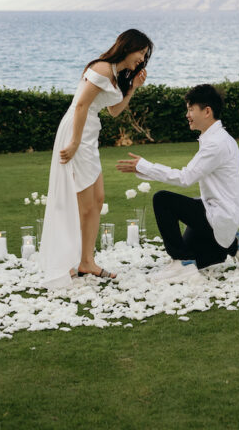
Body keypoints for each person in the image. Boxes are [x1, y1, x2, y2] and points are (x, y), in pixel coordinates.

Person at [40, 28, 153, 289]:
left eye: (145, 56)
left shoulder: (117, 75)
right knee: (83, 201)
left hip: (90, 134)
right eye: (141, 52)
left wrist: (133, 88)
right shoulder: (101, 69)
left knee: (98, 199)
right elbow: (80, 105)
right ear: (128, 46)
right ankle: (78, 260)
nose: (142, 59)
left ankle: (86, 260)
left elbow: (113, 111)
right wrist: (75, 143)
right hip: (77, 131)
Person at [116, 83, 239, 282]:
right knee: (199, 260)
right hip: (217, 213)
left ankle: (182, 262)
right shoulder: (216, 138)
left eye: (191, 109)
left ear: (207, 111)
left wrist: (144, 166)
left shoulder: (216, 144)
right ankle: (236, 244)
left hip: (220, 215)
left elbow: (185, 178)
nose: (187, 114)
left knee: (162, 200)